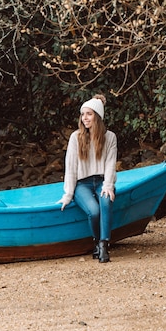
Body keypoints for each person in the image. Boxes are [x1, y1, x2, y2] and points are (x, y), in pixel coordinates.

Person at [57, 94, 117, 263]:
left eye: (89, 114)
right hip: (82, 184)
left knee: (105, 201)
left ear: (97, 116)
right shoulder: (76, 137)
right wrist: (68, 194)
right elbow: (70, 168)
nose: (85, 118)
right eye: (83, 114)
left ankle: (104, 245)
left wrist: (108, 185)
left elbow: (111, 164)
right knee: (94, 211)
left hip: (101, 181)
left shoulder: (110, 137)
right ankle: (96, 241)